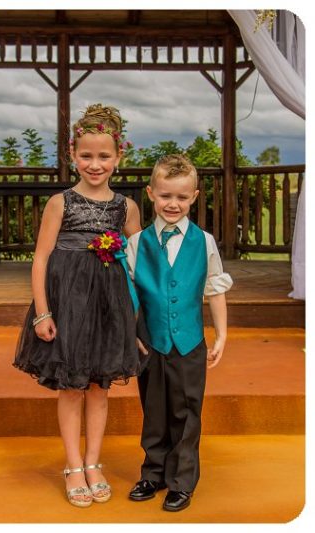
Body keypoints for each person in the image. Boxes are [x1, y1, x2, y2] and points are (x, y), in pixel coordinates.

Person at [12, 103, 142, 508]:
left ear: (119, 157)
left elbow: (139, 260)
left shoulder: (126, 207)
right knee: (71, 387)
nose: (95, 164)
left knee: (99, 387)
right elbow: (40, 259)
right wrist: (43, 311)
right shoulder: (60, 203)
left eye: (104, 156)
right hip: (67, 305)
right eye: (86, 155)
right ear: (72, 155)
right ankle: (71, 465)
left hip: (108, 306)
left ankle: (93, 463)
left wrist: (136, 320)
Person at [125, 154, 232, 512]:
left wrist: (221, 335)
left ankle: (182, 481)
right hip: (150, 340)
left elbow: (215, 288)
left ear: (194, 197)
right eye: (166, 195)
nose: (173, 204)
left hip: (189, 342)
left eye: (181, 197)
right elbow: (129, 293)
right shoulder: (138, 243)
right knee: (153, 409)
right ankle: (153, 473)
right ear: (151, 193)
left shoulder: (205, 242)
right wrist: (132, 332)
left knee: (186, 412)